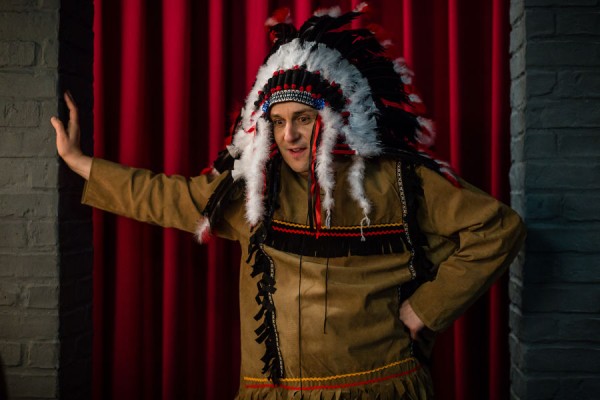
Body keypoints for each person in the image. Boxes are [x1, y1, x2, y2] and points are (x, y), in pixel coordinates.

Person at [51, 8, 525, 399]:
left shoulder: (400, 180)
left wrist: (425, 309)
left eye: (303, 118)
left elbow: (499, 228)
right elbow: (164, 196)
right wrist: (79, 162)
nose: (290, 135)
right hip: (275, 390)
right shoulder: (253, 191)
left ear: (336, 117)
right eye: (278, 122)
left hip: (381, 384)